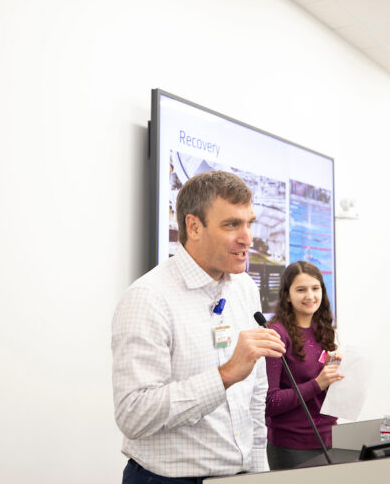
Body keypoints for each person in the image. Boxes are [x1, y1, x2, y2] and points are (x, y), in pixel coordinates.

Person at [111, 170, 286, 483]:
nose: (248, 237)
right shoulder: (147, 299)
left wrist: (261, 473)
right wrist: (225, 375)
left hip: (241, 475)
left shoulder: (244, 287)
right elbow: (133, 415)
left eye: (250, 223)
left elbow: (255, 394)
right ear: (193, 226)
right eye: (232, 224)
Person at [264, 261, 344, 470]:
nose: (310, 296)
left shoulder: (325, 330)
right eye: (301, 290)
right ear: (287, 296)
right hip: (291, 448)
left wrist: (340, 373)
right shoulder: (276, 334)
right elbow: (270, 402)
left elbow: (323, 391)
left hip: (330, 440)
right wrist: (317, 383)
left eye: (315, 288)